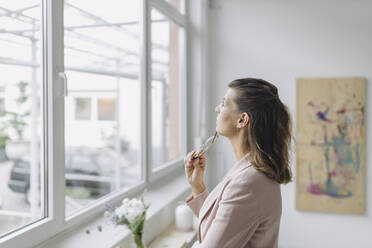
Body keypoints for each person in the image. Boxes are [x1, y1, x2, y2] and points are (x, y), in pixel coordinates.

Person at [184, 78, 292, 248]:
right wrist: (197, 186)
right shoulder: (251, 173)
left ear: (242, 120)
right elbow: (223, 228)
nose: (217, 109)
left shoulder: (247, 183)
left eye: (224, 103)